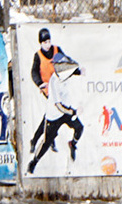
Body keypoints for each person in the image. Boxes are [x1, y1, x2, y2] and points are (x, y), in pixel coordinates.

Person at [27, 28, 83, 174]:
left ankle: (71, 144)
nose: (48, 44)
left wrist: (77, 70)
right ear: (40, 43)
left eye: (49, 41)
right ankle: (36, 155)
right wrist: (40, 83)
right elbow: (34, 72)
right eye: (44, 42)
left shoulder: (58, 54)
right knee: (47, 127)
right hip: (51, 97)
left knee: (79, 127)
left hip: (63, 105)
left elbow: (68, 63)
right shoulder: (40, 59)